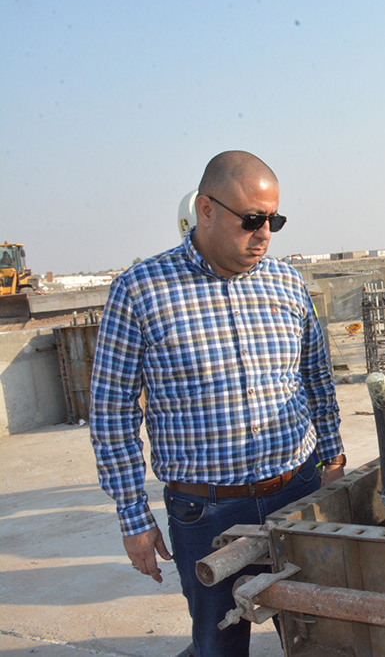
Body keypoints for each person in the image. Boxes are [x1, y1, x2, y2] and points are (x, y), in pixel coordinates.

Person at [89, 151, 346, 657]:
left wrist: (332, 459)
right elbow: (111, 414)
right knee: (220, 644)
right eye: (251, 219)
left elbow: (316, 378)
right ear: (206, 209)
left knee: (319, 638)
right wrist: (133, 518)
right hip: (205, 514)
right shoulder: (140, 291)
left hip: (295, 493)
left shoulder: (287, 283)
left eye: (274, 220)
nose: (265, 232)